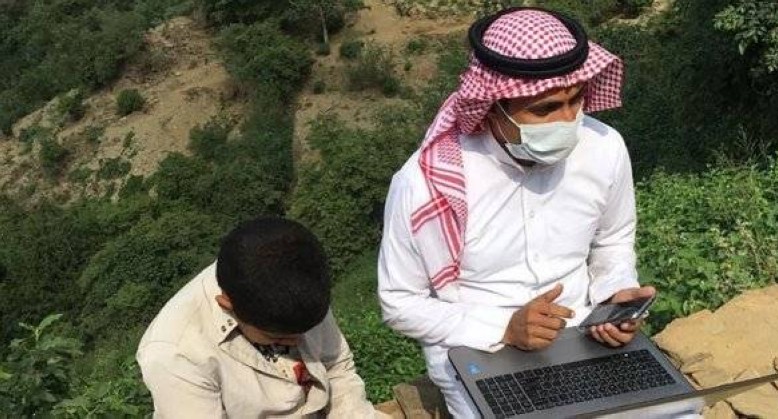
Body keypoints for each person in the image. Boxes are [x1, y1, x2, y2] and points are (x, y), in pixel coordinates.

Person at [377, 7, 671, 417]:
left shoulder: (604, 148)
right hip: (478, 349)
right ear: (493, 106)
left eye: (575, 100)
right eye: (545, 109)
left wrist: (614, 296)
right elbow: (400, 303)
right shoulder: (427, 183)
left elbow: (613, 240)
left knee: (680, 412)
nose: (568, 121)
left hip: (584, 334)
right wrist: (505, 328)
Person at [137, 217, 383, 418]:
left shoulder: (297, 277)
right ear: (227, 305)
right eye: (277, 337)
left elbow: (336, 367)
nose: (296, 342)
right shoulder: (175, 353)